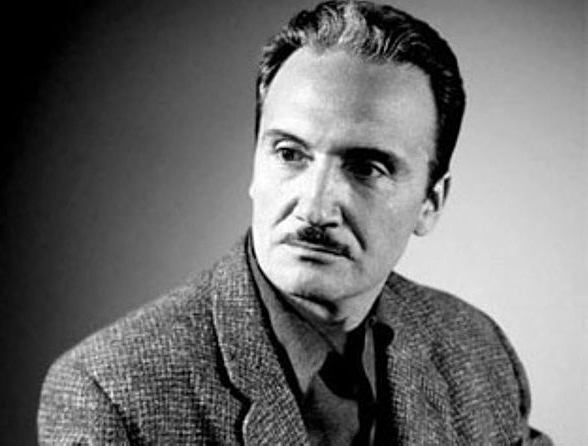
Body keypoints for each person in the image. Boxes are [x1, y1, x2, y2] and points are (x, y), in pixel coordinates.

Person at [38, 1, 551, 444]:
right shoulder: (112, 393)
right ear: (255, 165)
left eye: (366, 168)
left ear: (430, 203)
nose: (316, 209)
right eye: (289, 154)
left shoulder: (476, 350)